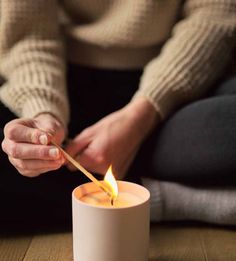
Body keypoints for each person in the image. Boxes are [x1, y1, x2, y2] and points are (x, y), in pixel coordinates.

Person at [0, 0, 236, 229]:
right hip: (62, 81)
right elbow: (28, 34)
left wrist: (141, 116)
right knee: (13, 142)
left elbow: (216, 13)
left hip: (181, 80)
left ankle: (78, 190)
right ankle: (164, 198)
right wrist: (43, 112)